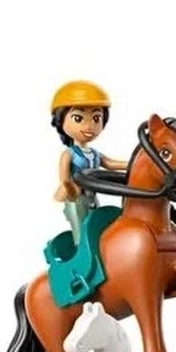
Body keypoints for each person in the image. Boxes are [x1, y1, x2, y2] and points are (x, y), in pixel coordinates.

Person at [51, 81, 127, 245]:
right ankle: (80, 254)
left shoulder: (94, 153)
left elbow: (111, 164)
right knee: (82, 232)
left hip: (92, 196)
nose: (89, 125)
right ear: (61, 120)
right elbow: (64, 178)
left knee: (97, 227)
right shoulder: (69, 154)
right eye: (78, 118)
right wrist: (71, 189)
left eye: (96, 118)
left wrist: (136, 164)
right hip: (76, 198)